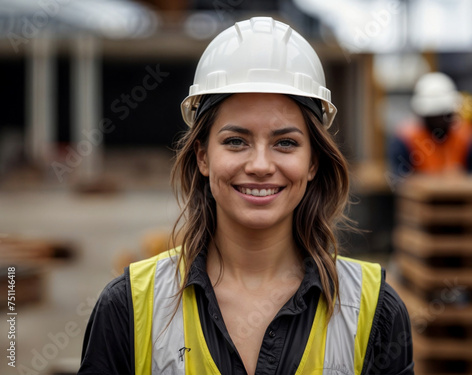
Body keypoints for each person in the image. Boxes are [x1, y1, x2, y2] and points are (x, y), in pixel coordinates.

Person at [78, 17, 414, 375]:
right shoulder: (128, 306)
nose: (260, 165)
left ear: (313, 162)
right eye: (236, 141)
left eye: (285, 143)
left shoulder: (375, 311)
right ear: (203, 156)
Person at [389, 72, 472, 181]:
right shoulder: (405, 138)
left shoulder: (467, 136)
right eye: (433, 117)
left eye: (443, 116)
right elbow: (398, 178)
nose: (439, 122)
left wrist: (462, 178)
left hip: (461, 197)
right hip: (421, 198)